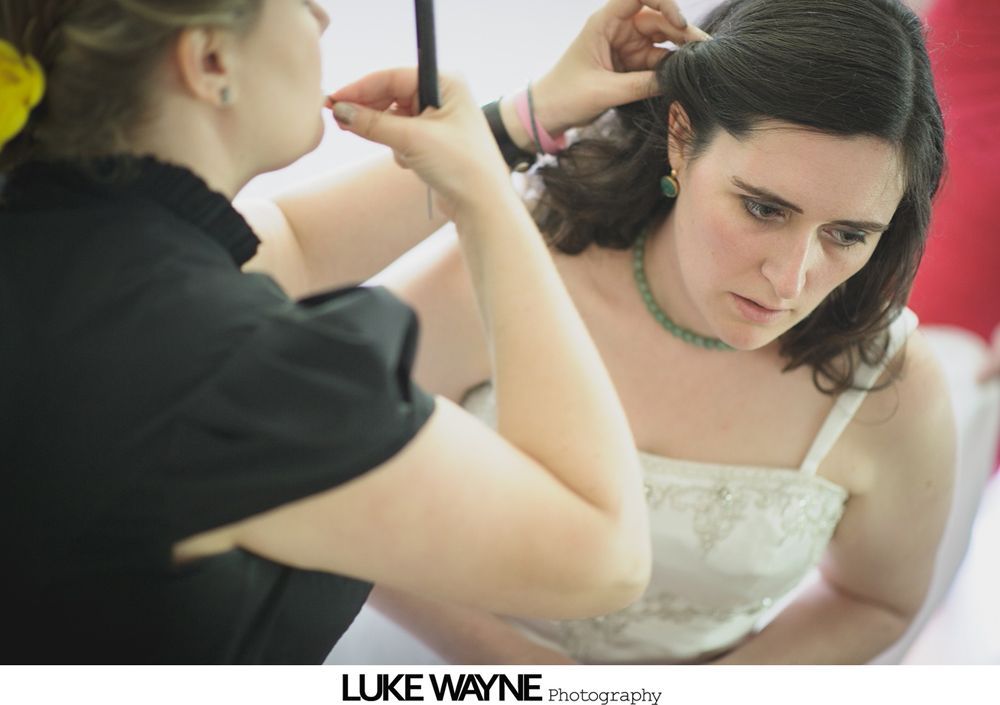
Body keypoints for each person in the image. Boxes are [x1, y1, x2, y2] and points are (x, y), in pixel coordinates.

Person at [0, 0, 708, 664]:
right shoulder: (228, 365)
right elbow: (604, 550)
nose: (322, 14)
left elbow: (295, 248)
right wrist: (485, 201)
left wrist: (528, 116)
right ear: (211, 60)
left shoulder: (63, 248)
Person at [333, 0, 957, 665]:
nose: (790, 279)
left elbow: (877, 601)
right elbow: (333, 469)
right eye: (763, 208)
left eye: (847, 234)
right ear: (682, 141)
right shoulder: (516, 263)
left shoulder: (893, 388)